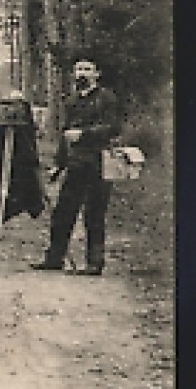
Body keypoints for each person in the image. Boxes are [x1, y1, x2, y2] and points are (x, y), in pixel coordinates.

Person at [33, 57, 121, 275]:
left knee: (94, 213)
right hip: (75, 164)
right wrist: (58, 165)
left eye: (87, 69)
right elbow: (65, 135)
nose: (81, 73)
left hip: (100, 163)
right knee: (63, 212)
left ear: (97, 74)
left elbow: (113, 128)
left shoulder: (107, 99)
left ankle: (94, 263)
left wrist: (84, 134)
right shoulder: (71, 101)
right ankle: (54, 258)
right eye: (78, 69)